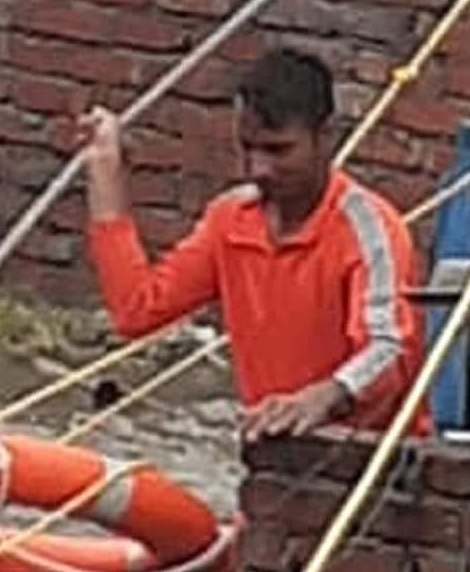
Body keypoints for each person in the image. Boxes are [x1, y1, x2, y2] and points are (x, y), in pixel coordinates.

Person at [79, 46, 421, 441]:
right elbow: (137, 311)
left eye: (278, 150)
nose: (259, 169)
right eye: (248, 148)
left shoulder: (370, 227)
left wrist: (327, 395)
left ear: (326, 137)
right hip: (272, 447)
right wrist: (105, 173)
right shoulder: (230, 219)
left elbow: (389, 349)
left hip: (373, 452)